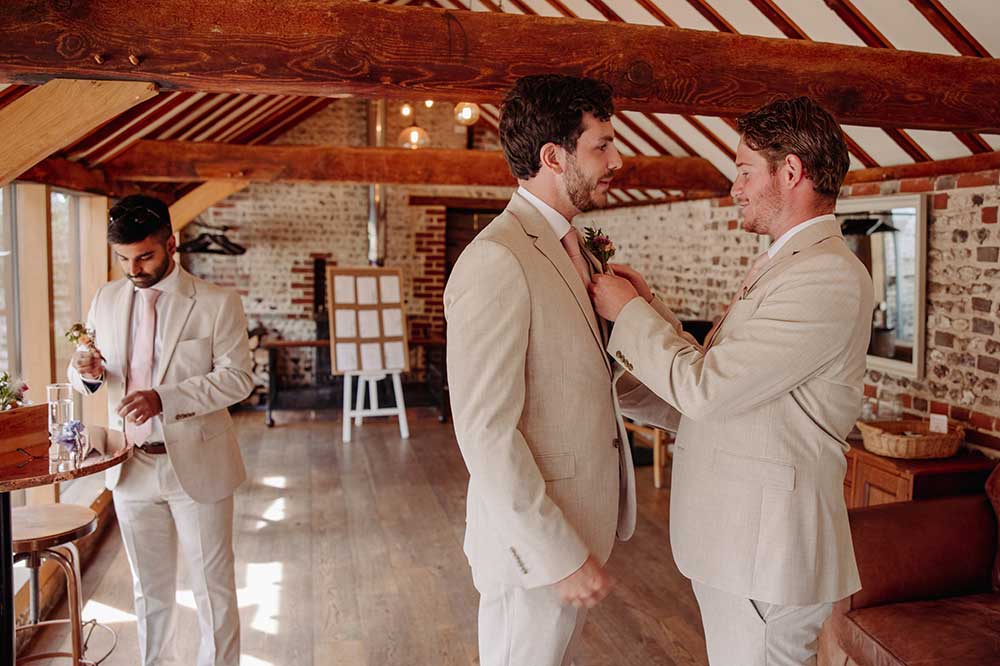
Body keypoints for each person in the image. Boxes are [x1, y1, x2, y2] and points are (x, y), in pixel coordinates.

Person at [589, 96, 874, 666]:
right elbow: (726, 385)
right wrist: (644, 314)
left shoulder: (825, 275)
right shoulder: (787, 262)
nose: (735, 187)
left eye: (744, 171)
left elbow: (708, 389)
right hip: (741, 546)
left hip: (767, 552)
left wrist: (630, 314)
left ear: (790, 172)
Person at [445, 74, 649, 666]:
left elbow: (594, 374)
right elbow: (485, 432)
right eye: (602, 145)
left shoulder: (575, 247)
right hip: (534, 550)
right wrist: (555, 552)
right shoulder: (496, 258)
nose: (618, 160)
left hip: (580, 524)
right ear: (553, 157)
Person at [68, 194, 253, 666]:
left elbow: (238, 379)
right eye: (123, 259)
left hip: (198, 465)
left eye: (144, 256)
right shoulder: (106, 298)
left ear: (171, 244)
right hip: (129, 467)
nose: (133, 269)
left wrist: (163, 398)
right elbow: (86, 373)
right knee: (147, 591)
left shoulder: (216, 303)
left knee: (212, 590)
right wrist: (86, 371)